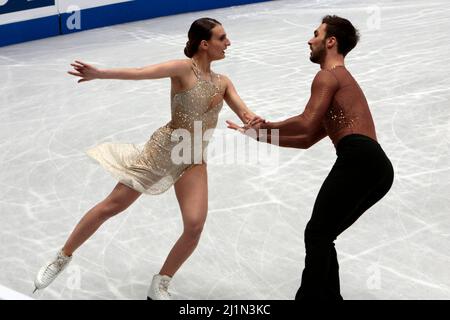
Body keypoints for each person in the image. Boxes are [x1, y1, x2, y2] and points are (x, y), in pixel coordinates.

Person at [33, 17, 264, 300]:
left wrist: (254, 124)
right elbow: (141, 72)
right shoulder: (183, 69)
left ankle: (160, 284)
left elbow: (246, 114)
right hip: (163, 151)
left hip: (192, 157)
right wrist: (100, 73)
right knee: (111, 206)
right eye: (222, 38)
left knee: (194, 225)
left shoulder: (223, 82)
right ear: (205, 44)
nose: (228, 42)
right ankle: (62, 257)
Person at [227, 15, 394, 300]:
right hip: (377, 168)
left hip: (359, 158)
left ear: (331, 42)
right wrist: (258, 135)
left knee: (318, 234)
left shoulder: (327, 76)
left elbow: (305, 122)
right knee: (322, 235)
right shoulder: (342, 81)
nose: (309, 39)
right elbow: (305, 139)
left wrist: (265, 125)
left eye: (316, 34)